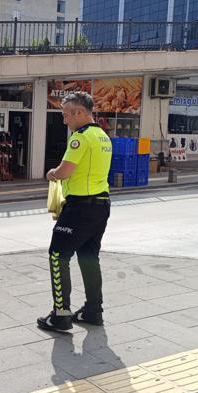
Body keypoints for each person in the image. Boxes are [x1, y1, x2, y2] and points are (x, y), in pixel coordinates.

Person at [38, 91, 112, 332]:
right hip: (101, 205)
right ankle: (93, 310)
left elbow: (64, 171)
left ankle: (61, 314)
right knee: (89, 256)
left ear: (80, 112)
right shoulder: (102, 136)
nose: (64, 120)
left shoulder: (80, 138)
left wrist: (51, 173)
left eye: (66, 114)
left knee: (58, 255)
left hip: (80, 207)